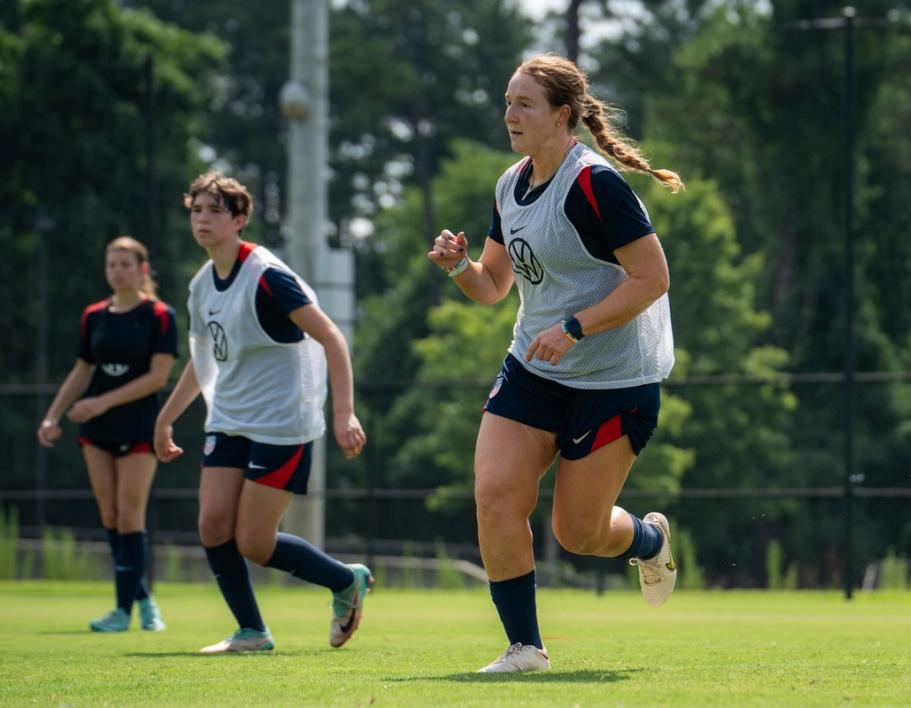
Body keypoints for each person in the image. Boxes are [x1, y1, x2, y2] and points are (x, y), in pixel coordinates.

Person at [427, 54, 682, 673]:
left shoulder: (594, 183)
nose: (510, 114)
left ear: (562, 115)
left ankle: (649, 540)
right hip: (534, 369)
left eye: (524, 104)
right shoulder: (508, 184)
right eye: (508, 101)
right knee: (494, 494)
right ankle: (525, 648)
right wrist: (460, 267)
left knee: (578, 533)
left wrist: (573, 327)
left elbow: (653, 278)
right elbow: (493, 287)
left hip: (616, 378)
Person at [153, 172, 373, 654]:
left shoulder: (268, 278)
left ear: (239, 219)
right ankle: (251, 631)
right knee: (212, 525)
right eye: (196, 210)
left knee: (254, 541)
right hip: (229, 418)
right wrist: (166, 416)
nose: (203, 219)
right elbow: (205, 357)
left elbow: (331, 336)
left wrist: (343, 414)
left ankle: (344, 580)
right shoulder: (201, 285)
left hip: (283, 423)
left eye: (214, 210)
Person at [37, 236, 176, 633]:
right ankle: (144, 599)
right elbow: (82, 370)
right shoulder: (93, 316)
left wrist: (102, 402)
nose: (117, 271)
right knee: (111, 514)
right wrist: (53, 416)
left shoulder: (160, 315)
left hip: (139, 425)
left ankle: (122, 612)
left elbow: (158, 377)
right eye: (111, 265)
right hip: (95, 427)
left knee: (131, 513)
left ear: (142, 269)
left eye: (125, 264)